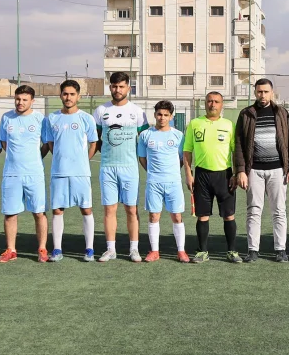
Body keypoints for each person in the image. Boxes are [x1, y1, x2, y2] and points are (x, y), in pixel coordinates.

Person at [234, 78, 289, 262]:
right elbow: (239, 144)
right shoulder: (246, 114)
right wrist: (241, 170)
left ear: (272, 93)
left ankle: (280, 250)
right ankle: (253, 250)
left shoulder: (281, 112)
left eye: (266, 92)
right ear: (255, 92)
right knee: (254, 210)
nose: (262, 95)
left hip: (278, 170)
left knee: (279, 210)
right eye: (259, 92)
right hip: (254, 170)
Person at [94, 72, 148, 262]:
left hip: (129, 168)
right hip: (107, 167)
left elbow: (144, 140)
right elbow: (95, 139)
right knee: (110, 210)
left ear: (128, 88)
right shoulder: (101, 110)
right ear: (110, 87)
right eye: (114, 86)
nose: (118, 90)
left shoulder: (137, 112)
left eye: (121, 86)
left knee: (131, 209)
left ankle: (134, 249)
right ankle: (111, 249)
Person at [42, 79, 98, 262]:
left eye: (72, 94)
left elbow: (93, 143)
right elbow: (51, 143)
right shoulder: (51, 118)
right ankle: (57, 249)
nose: (68, 97)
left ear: (78, 96)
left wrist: (83, 161)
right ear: (60, 95)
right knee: (57, 210)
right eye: (65, 94)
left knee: (86, 209)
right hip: (59, 172)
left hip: (81, 173)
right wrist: (61, 158)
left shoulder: (86, 118)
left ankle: (89, 249)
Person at [183, 91, 240, 263]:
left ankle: (231, 251)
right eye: (209, 101)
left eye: (216, 101)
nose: (212, 104)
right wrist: (188, 175)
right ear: (205, 103)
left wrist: (235, 174)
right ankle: (202, 252)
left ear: (222, 105)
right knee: (202, 215)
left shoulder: (229, 125)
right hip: (202, 175)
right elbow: (187, 151)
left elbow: (235, 152)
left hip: (225, 175)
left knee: (229, 215)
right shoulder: (195, 124)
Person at [0, 84, 48, 263]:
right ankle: (11, 249)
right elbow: (4, 143)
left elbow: (46, 144)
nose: (20, 102)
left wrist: (34, 158)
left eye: (24, 100)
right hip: (11, 174)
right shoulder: (6, 118)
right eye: (17, 99)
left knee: (39, 212)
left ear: (32, 101)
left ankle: (42, 248)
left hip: (34, 174)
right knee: (10, 213)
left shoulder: (40, 119)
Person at [138, 101, 188, 262]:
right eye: (159, 114)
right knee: (154, 216)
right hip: (154, 183)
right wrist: (152, 172)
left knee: (177, 216)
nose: (162, 117)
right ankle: (154, 251)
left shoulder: (178, 135)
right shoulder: (145, 135)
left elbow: (182, 158)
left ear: (171, 117)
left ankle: (181, 251)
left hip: (173, 182)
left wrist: (172, 172)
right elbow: (142, 158)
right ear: (155, 115)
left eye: (166, 115)